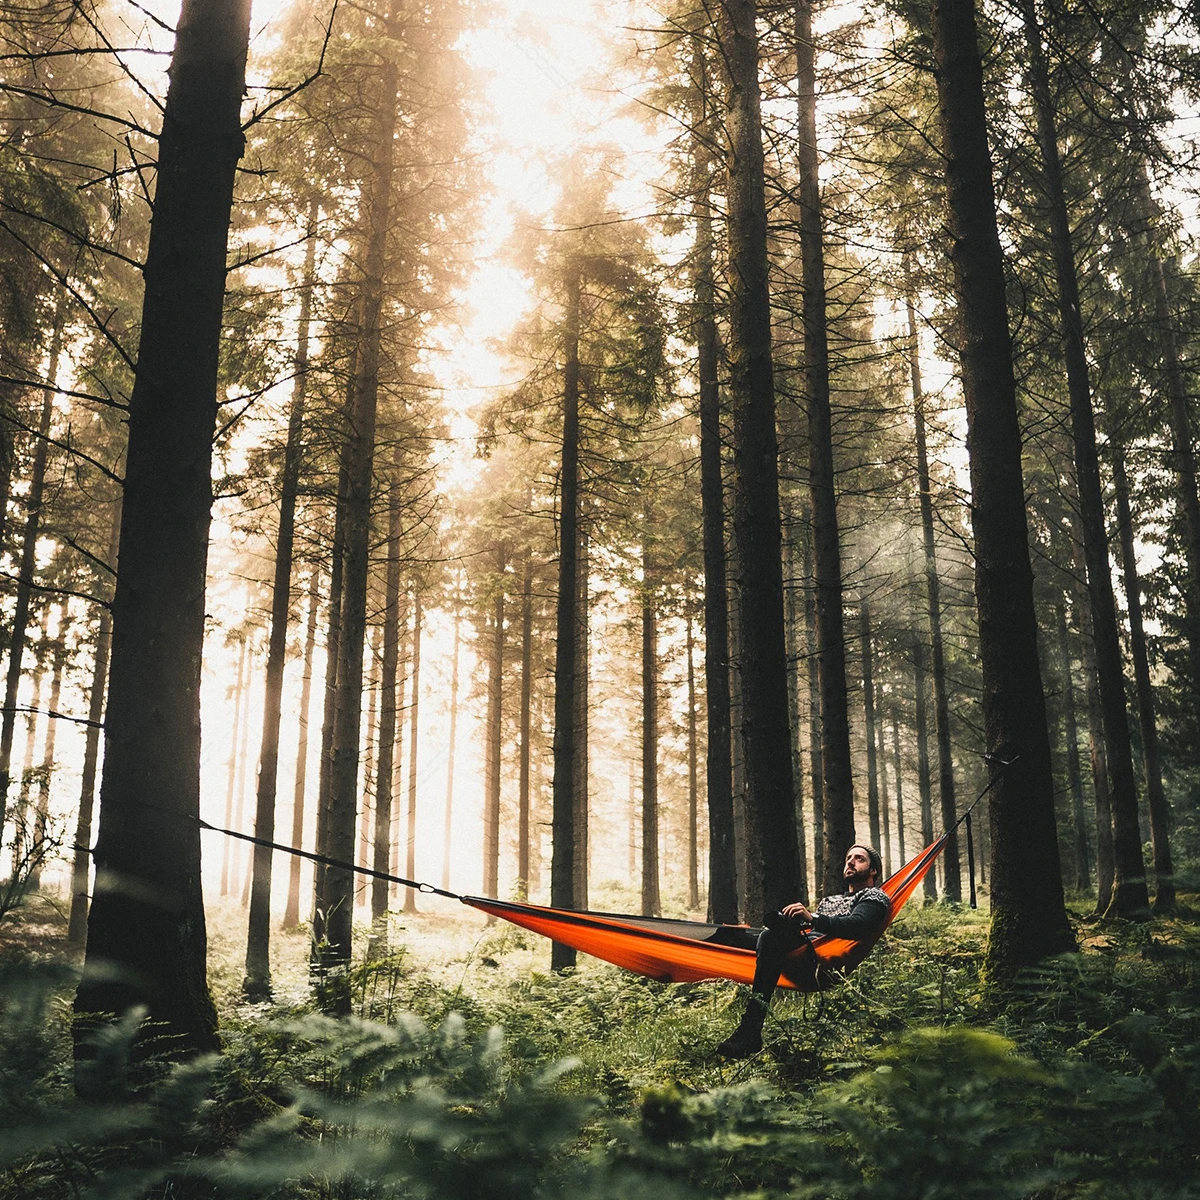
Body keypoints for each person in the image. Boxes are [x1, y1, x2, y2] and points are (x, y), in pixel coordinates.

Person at [715, 844, 889, 1058]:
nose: (851, 862)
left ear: (874, 871)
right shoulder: (830, 901)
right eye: (848, 858)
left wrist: (812, 918)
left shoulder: (875, 896)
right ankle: (674, 941)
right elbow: (814, 927)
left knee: (769, 937)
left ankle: (750, 1030)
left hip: (821, 959)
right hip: (800, 946)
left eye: (859, 859)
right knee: (730, 936)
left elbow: (858, 925)